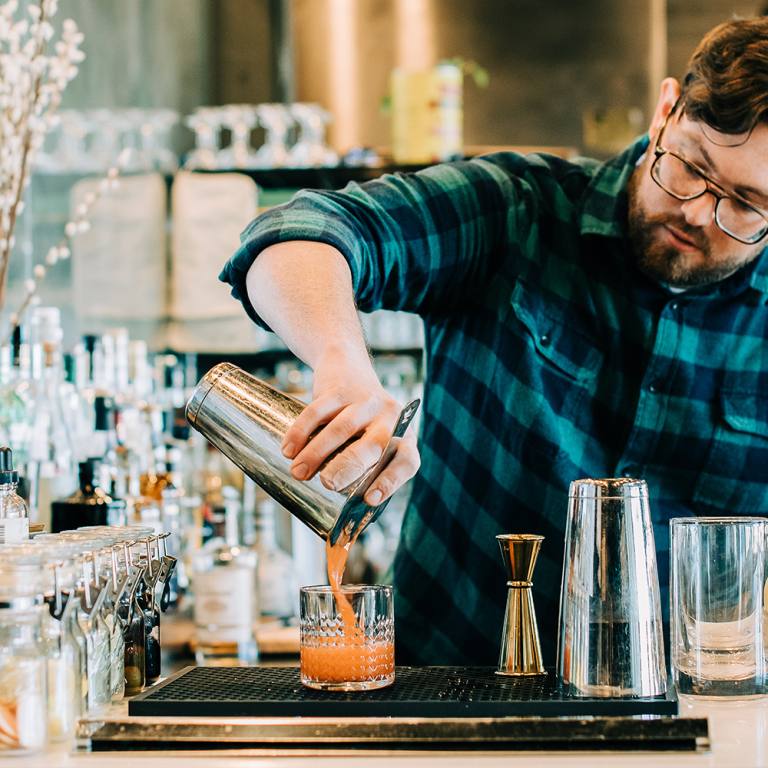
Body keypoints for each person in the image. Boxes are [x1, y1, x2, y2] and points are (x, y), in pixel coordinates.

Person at [220, 17, 768, 665]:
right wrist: (342, 365)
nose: (699, 212)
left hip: (692, 729)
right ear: (664, 111)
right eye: (691, 167)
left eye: (746, 203)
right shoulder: (517, 212)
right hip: (443, 707)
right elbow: (297, 233)